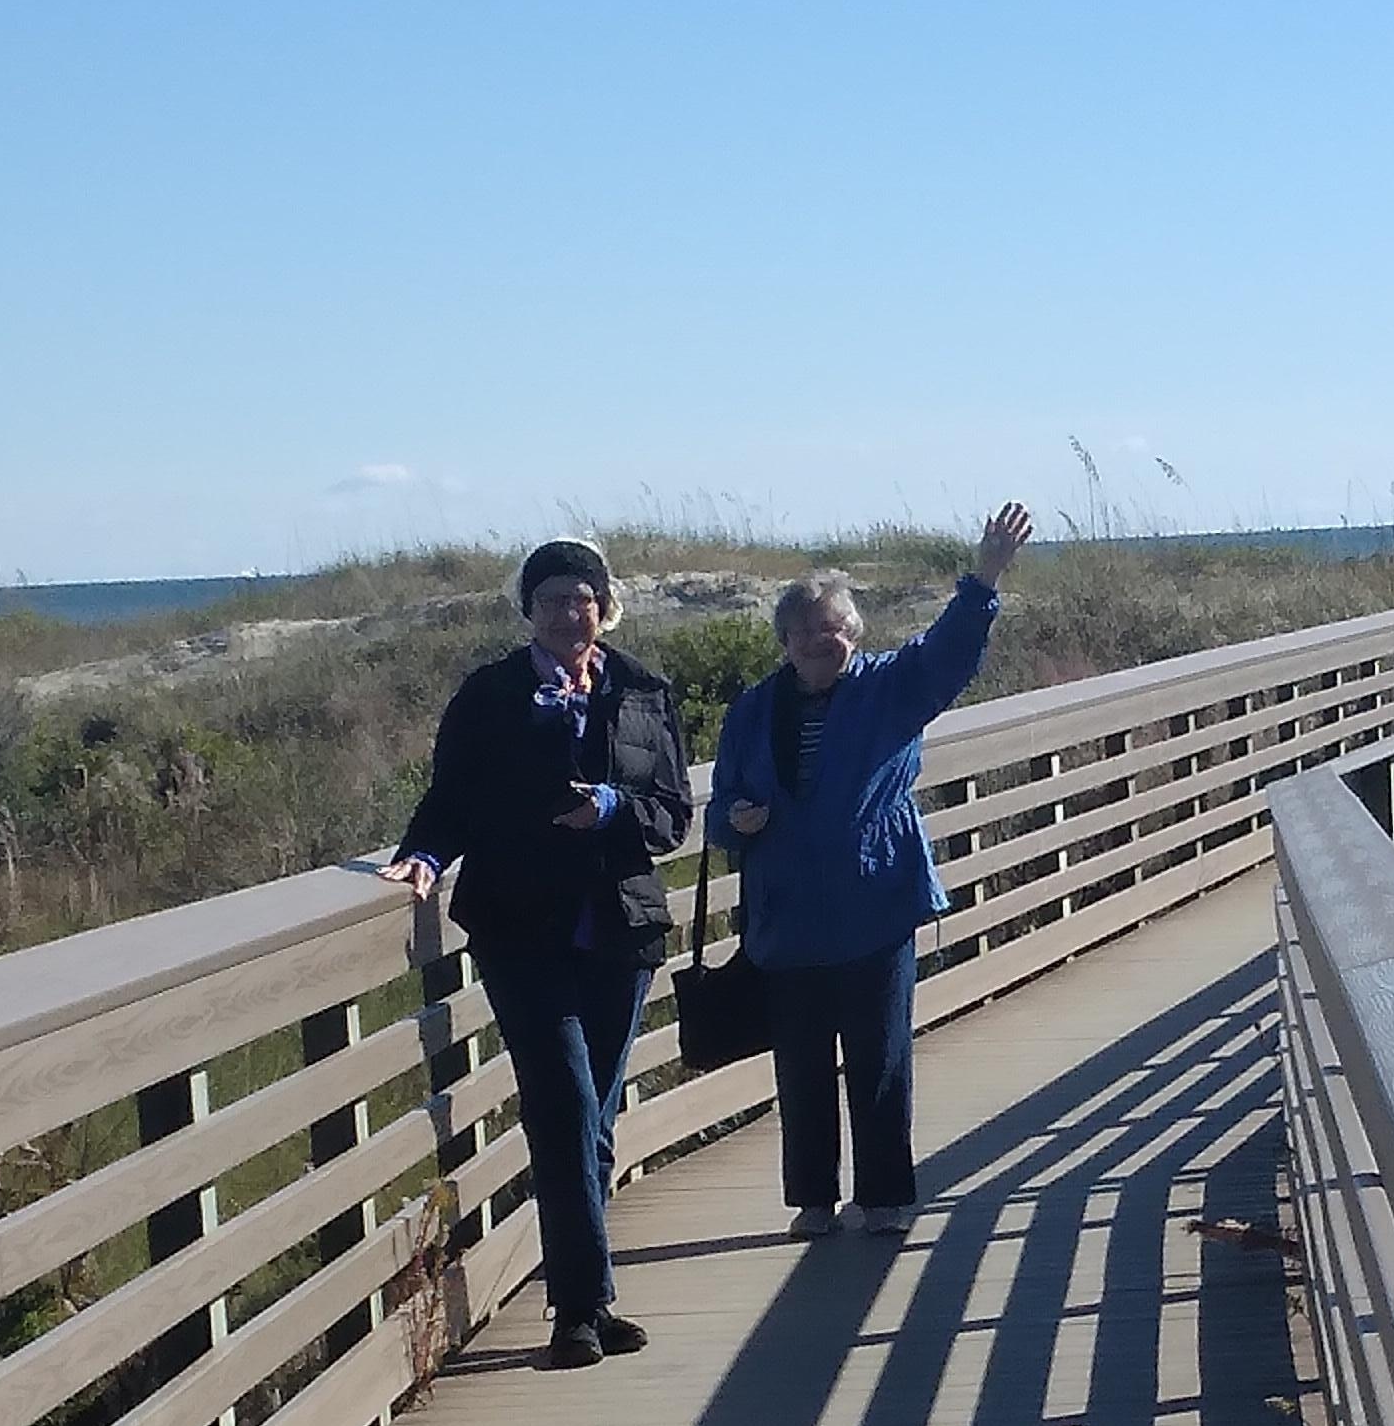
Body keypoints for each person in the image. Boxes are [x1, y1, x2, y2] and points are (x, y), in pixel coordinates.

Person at [381, 538, 692, 1367]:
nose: (567, 611)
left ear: (603, 605)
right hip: (521, 931)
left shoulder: (643, 691)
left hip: (619, 932)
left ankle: (592, 1298)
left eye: (581, 597)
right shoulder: (490, 695)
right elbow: (452, 798)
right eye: (551, 598)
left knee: (590, 1121)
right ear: (529, 609)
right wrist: (423, 854)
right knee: (560, 1105)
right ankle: (579, 1312)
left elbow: (671, 815)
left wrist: (613, 807)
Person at [709, 503, 1033, 1237]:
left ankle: (883, 1196)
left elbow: (950, 654)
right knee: (799, 1067)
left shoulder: (891, 688)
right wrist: (734, 821)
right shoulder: (753, 710)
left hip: (875, 901)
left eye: (833, 631)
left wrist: (983, 578)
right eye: (805, 634)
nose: (820, 644)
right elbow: (720, 807)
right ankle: (815, 1201)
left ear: (853, 635)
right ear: (785, 642)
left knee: (879, 1058)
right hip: (786, 916)